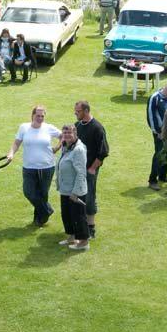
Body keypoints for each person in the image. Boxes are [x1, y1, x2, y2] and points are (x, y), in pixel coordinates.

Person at [6, 106, 62, 226]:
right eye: (38, 115)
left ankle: (39, 220)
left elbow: (63, 136)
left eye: (42, 116)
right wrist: (11, 153)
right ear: (32, 115)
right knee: (29, 192)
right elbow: (17, 142)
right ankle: (47, 210)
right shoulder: (24, 127)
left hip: (47, 166)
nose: (40, 118)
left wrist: (56, 148)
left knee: (42, 194)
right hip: (29, 167)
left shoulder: (49, 128)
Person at [73, 100, 108, 239]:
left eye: (78, 111)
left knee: (89, 196)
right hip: (76, 169)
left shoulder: (97, 128)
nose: (75, 113)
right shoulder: (76, 126)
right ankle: (79, 225)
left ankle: (91, 228)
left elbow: (103, 151)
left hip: (89, 170)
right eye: (75, 111)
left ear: (86, 111)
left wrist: (93, 168)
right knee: (76, 196)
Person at [56, 123, 90, 250]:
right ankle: (71, 237)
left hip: (75, 191)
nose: (67, 135)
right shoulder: (66, 146)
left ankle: (83, 242)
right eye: (64, 133)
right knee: (67, 215)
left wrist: (75, 193)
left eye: (69, 133)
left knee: (78, 216)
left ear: (75, 134)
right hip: (65, 189)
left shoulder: (78, 150)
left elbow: (81, 172)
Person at [146, 82, 167, 190]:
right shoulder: (154, 98)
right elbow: (151, 116)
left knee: (166, 153)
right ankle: (152, 180)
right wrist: (157, 132)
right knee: (159, 154)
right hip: (159, 133)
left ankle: (163, 176)